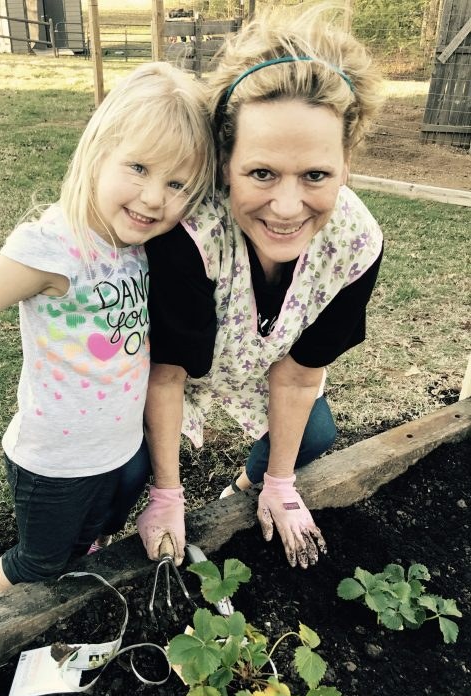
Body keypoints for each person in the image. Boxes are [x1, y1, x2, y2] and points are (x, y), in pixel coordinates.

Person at [0, 62, 215, 595]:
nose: (154, 198)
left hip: (123, 450)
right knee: (36, 566)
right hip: (56, 464)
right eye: (139, 168)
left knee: (89, 540)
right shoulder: (54, 247)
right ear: (99, 152)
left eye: (177, 184)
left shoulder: (146, 245)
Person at [137, 5, 385, 570]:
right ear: (225, 161)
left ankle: (246, 489)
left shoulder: (356, 244)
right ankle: (97, 532)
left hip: (257, 368)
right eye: (262, 173)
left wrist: (279, 482)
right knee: (121, 465)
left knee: (315, 430)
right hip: (168, 373)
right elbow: (167, 373)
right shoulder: (187, 236)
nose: (287, 207)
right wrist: (169, 494)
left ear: (346, 162)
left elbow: (298, 374)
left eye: (316, 175)